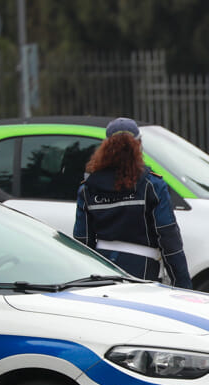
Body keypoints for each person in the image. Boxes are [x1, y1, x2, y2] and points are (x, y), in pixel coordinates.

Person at [74, 117, 192, 288]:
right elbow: (168, 237)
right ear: (139, 145)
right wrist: (182, 285)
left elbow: (82, 240)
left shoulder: (87, 188)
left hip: (102, 270)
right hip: (143, 270)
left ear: (106, 146)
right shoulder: (152, 185)